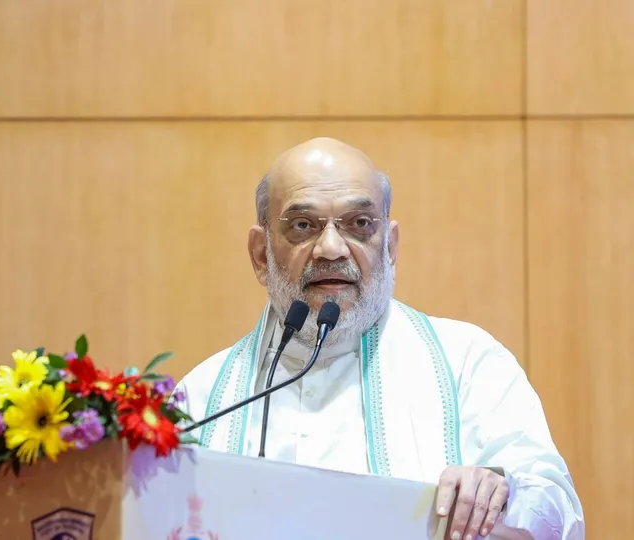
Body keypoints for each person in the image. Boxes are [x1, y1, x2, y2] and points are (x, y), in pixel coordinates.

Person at [174, 137, 584, 540]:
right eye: (302, 226)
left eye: (359, 224)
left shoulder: (469, 364)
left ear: (389, 245)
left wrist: (502, 492)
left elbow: (560, 513)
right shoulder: (200, 397)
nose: (331, 248)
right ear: (262, 254)